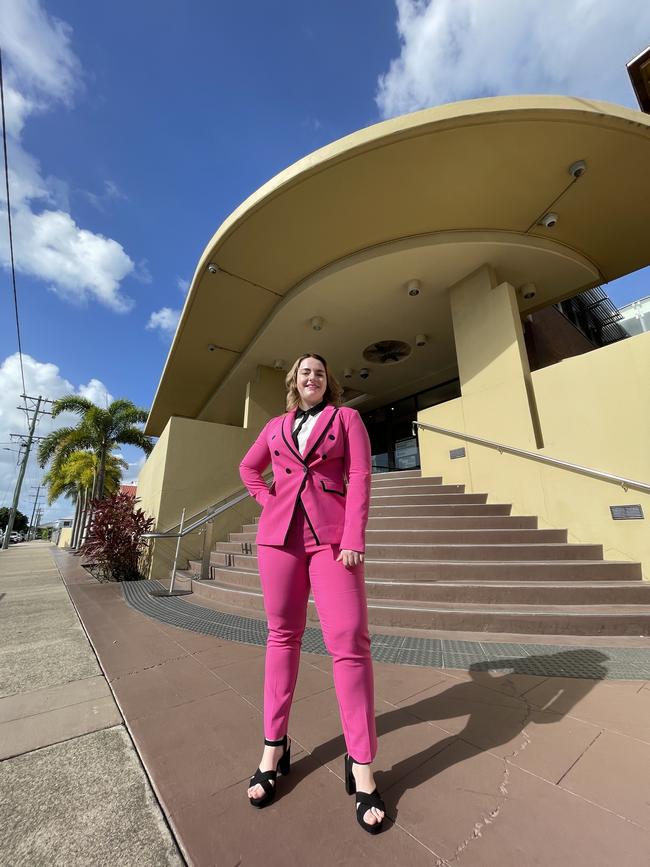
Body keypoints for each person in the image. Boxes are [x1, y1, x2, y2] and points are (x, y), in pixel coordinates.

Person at [239, 353, 385, 834]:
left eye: (319, 372)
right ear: (293, 381)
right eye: (304, 371)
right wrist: (269, 500)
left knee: (349, 641)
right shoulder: (276, 426)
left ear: (328, 383)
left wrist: (354, 538)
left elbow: (360, 477)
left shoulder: (347, 419)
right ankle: (273, 748)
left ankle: (361, 766)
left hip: (332, 538)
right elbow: (248, 469)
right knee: (281, 637)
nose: (312, 377)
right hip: (278, 540)